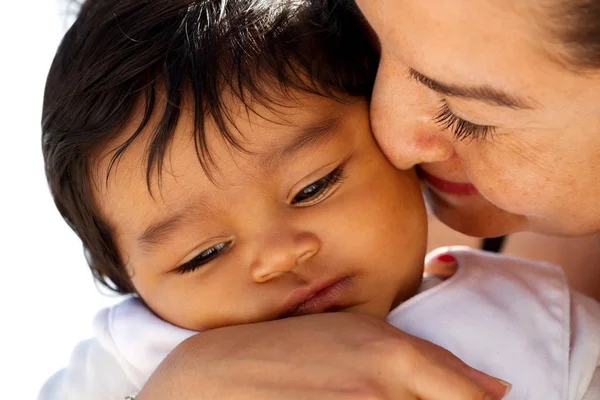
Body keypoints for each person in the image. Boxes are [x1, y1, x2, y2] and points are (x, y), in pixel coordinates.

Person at [39, 0, 600, 399]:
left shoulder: (535, 320)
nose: (279, 255)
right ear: (129, 280)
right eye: (201, 254)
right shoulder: (138, 356)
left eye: (314, 187)